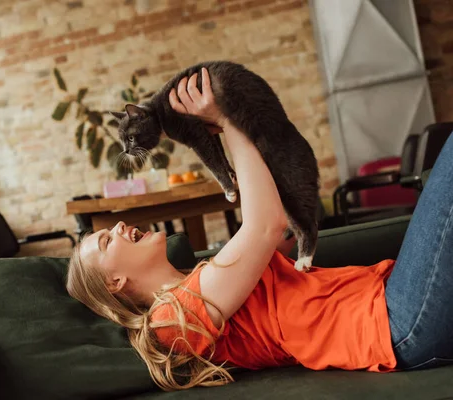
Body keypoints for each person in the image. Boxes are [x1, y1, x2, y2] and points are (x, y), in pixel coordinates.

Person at [66, 67, 453, 391]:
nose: (116, 226)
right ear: (115, 281)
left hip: (389, 298)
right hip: (393, 324)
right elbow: (267, 225)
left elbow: (276, 229)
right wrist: (226, 118)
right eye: (104, 240)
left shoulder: (204, 278)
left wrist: (226, 125)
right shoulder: (172, 318)